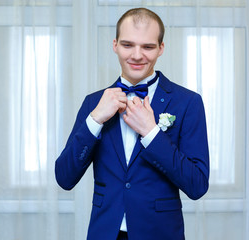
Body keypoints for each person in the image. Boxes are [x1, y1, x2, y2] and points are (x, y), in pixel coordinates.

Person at [55, 7, 209, 240]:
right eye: (128, 45)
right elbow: (64, 177)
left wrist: (151, 133)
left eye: (147, 46)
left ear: (161, 48)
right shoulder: (93, 103)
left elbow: (197, 185)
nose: (137, 55)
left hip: (160, 233)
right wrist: (95, 120)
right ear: (115, 45)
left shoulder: (188, 103)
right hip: (105, 233)